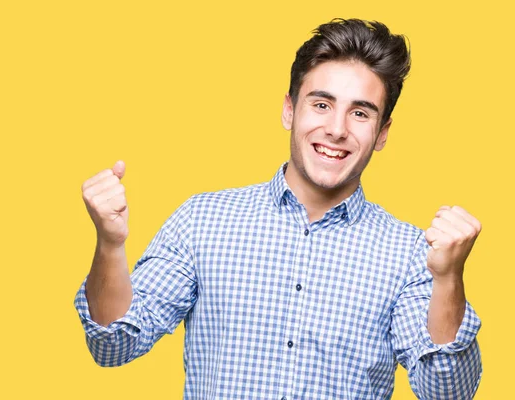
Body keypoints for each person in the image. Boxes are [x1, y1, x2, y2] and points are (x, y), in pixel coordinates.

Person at [74, 18, 482, 399]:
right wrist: (110, 246)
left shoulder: (410, 253)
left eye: (360, 113)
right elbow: (113, 345)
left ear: (382, 133)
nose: (337, 129)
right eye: (321, 104)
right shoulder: (203, 221)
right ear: (290, 110)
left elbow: (446, 392)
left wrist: (448, 279)